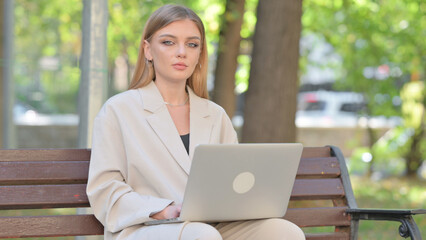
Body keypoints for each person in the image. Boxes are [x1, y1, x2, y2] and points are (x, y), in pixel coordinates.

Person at [87, 4, 305, 240]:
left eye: (192, 44)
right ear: (148, 50)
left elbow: (232, 181)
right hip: (146, 227)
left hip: (213, 226)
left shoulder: (215, 115)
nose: (182, 52)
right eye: (168, 42)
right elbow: (104, 189)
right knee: (202, 235)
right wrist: (162, 209)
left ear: (199, 54)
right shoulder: (118, 110)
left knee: (285, 232)